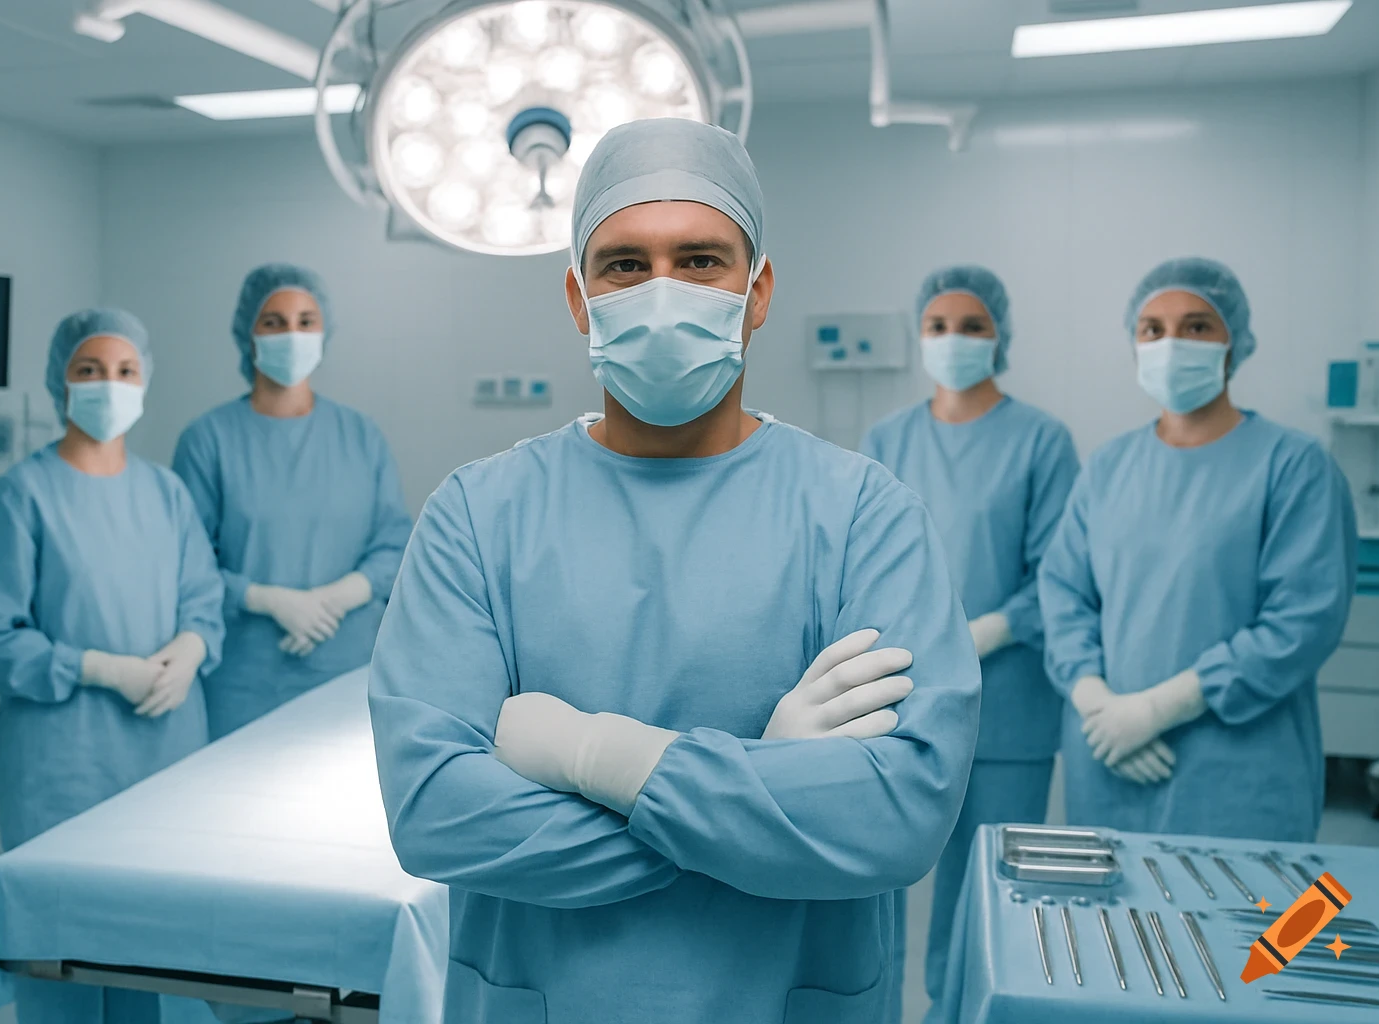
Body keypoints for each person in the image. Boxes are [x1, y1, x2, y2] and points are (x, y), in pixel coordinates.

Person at [367, 117, 981, 1024]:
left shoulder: (862, 515)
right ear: (578, 298)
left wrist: (601, 758)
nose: (662, 291)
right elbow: (434, 811)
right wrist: (767, 790)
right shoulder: (477, 515)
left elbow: (899, 817)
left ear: (757, 291)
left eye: (700, 261)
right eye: (623, 265)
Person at [0, 308, 224, 1022]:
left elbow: (203, 596)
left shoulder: (166, 493)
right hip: (63, 766)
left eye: (125, 371)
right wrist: (100, 669)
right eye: (90, 371)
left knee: (144, 953)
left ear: (145, 382)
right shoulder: (23, 496)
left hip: (163, 759)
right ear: (60, 383)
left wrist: (193, 646)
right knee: (61, 953)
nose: (109, 384)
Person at [1039, 257, 1357, 841]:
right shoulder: (1108, 467)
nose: (1171, 343)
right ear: (1135, 346)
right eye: (1152, 329)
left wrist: (1158, 709)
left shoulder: (1293, 466)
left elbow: (1302, 621)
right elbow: (1063, 593)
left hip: (1239, 773)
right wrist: (1097, 704)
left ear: (1233, 343)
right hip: (1109, 761)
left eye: (1197, 326)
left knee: (1258, 933)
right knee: (1113, 931)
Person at [861, 265, 1079, 1010]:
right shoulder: (887, 438)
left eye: (972, 326)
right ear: (920, 335)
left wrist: (981, 631)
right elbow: (864, 565)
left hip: (1008, 707)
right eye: (938, 326)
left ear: (1001, 337)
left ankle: (977, 1012)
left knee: (995, 888)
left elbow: (1061, 575)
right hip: (903, 697)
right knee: (880, 880)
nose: (954, 339)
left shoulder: (1042, 441)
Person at [173, 264, 412, 740]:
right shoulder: (208, 440)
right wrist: (267, 599)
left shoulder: (360, 435)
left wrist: (335, 598)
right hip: (243, 676)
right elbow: (186, 564)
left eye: (306, 321)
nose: (292, 333)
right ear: (249, 333)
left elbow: (393, 543)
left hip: (347, 667)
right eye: (274, 322)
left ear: (324, 332)